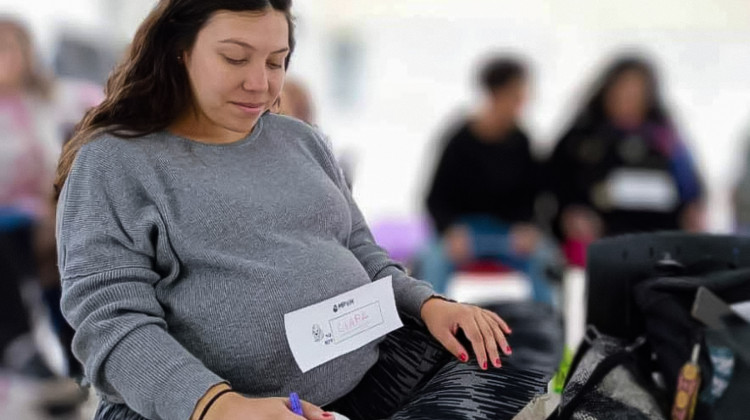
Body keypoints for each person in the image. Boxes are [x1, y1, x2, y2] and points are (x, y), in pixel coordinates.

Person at [54, 2, 523, 420]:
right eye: (234, 58)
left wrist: (428, 303)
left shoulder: (302, 140)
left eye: (276, 62)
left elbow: (360, 249)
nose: (260, 83)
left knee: (519, 345)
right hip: (209, 407)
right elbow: (109, 323)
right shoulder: (116, 162)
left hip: (372, 375)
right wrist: (216, 405)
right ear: (180, 50)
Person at [420, 57, 558, 304]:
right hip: (464, 232)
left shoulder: (522, 142)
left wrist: (528, 227)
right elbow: (434, 198)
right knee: (432, 261)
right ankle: (428, 333)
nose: (521, 103)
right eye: (516, 95)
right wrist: (450, 230)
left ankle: (550, 332)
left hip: (508, 234)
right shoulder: (459, 140)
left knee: (546, 259)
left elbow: (535, 197)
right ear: (495, 94)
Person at [546, 56, 705, 262]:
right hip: (601, 238)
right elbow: (554, 188)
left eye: (636, 93)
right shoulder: (582, 138)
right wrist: (570, 215)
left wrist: (693, 212)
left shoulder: (665, 139)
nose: (628, 99)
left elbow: (692, 189)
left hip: (660, 238)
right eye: (622, 91)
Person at [0, 17, 61, 375]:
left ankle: (72, 346)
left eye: (10, 47)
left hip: (44, 213)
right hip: (5, 218)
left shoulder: (49, 101)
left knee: (62, 247)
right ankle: (20, 344)